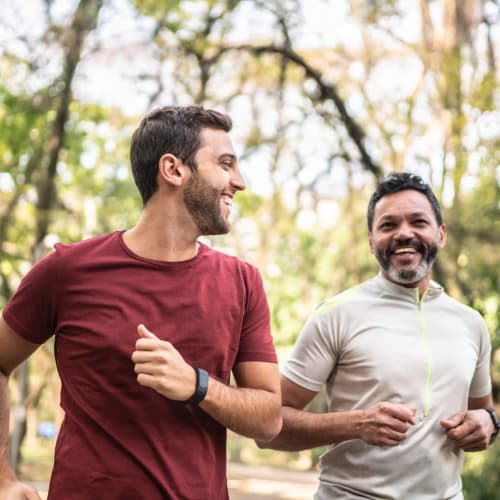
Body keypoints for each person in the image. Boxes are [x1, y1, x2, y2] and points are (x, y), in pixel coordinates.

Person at [0, 106, 282, 500]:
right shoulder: (67, 270)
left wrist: (197, 385)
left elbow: (269, 419)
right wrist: (4, 478)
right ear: (173, 169)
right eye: (225, 164)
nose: (239, 182)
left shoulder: (242, 282)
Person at [259, 172, 498, 499]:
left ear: (440, 234)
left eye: (418, 222)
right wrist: (355, 424)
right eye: (388, 225)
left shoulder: (471, 322)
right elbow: (267, 427)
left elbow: (484, 411)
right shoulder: (336, 314)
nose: (404, 233)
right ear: (371, 240)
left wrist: (489, 423)